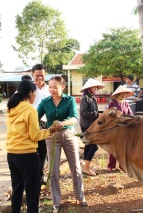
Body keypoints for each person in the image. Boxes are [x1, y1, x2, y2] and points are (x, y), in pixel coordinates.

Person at [37, 76, 87, 212]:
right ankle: (56, 201)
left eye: (55, 87)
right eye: (50, 87)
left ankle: (80, 197)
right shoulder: (45, 102)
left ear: (62, 87)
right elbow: (34, 118)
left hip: (69, 135)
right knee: (53, 171)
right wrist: (43, 130)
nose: (52, 90)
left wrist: (63, 123)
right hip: (51, 137)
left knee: (75, 167)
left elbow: (74, 118)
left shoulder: (69, 100)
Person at [6, 80, 56, 213]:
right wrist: (49, 131)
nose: (35, 97)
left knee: (17, 190)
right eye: (35, 93)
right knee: (32, 192)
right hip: (27, 155)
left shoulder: (11, 108)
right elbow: (34, 136)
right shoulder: (30, 110)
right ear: (30, 93)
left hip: (12, 154)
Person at [79, 78, 105, 176]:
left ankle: (86, 166)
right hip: (86, 126)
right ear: (89, 88)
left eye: (96, 87)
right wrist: (96, 114)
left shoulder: (93, 97)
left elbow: (94, 112)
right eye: (94, 87)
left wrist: (99, 114)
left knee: (88, 146)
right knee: (94, 147)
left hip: (91, 125)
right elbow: (83, 112)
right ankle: (86, 168)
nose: (96, 89)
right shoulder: (85, 98)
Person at [106, 85, 134, 172]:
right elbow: (108, 114)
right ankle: (111, 165)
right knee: (114, 147)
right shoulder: (112, 103)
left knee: (123, 148)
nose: (124, 95)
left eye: (126, 94)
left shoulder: (126, 103)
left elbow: (130, 114)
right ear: (119, 94)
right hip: (114, 128)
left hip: (124, 128)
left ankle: (122, 166)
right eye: (123, 94)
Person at [31, 64, 50, 185]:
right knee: (32, 152)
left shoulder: (50, 89)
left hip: (45, 124)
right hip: (31, 123)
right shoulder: (28, 88)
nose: (39, 78)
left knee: (43, 151)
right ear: (32, 75)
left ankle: (40, 175)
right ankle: (32, 176)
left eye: (42, 75)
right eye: (37, 75)